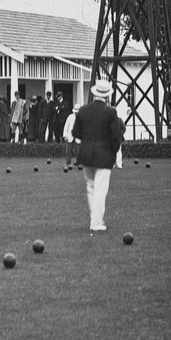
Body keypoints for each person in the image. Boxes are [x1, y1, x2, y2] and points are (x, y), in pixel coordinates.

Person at [72, 80, 125, 232]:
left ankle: (95, 219)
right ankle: (96, 222)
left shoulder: (83, 110)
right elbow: (116, 136)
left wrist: (88, 139)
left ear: (94, 93)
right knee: (100, 190)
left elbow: (76, 132)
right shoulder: (110, 112)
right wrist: (113, 152)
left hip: (86, 154)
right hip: (104, 155)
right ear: (108, 96)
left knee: (91, 187)